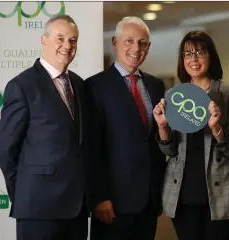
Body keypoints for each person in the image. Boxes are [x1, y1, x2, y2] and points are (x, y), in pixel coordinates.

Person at [0, 14, 88, 240]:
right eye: (60, 38)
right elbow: (5, 149)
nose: (67, 46)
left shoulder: (79, 84)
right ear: (44, 40)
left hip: (76, 209)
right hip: (37, 208)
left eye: (73, 40)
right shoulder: (22, 85)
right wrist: (24, 191)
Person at [153, 30, 229, 240]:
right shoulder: (173, 96)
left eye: (200, 53)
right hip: (182, 195)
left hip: (220, 193)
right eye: (187, 54)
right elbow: (169, 149)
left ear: (211, 56)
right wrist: (163, 127)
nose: (193, 59)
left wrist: (216, 129)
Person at [85, 16, 166, 240]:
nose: (135, 48)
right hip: (112, 204)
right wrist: (99, 197)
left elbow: (156, 142)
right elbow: (92, 147)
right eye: (128, 41)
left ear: (148, 47)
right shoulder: (94, 86)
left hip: (148, 202)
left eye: (142, 43)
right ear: (114, 43)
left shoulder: (156, 85)